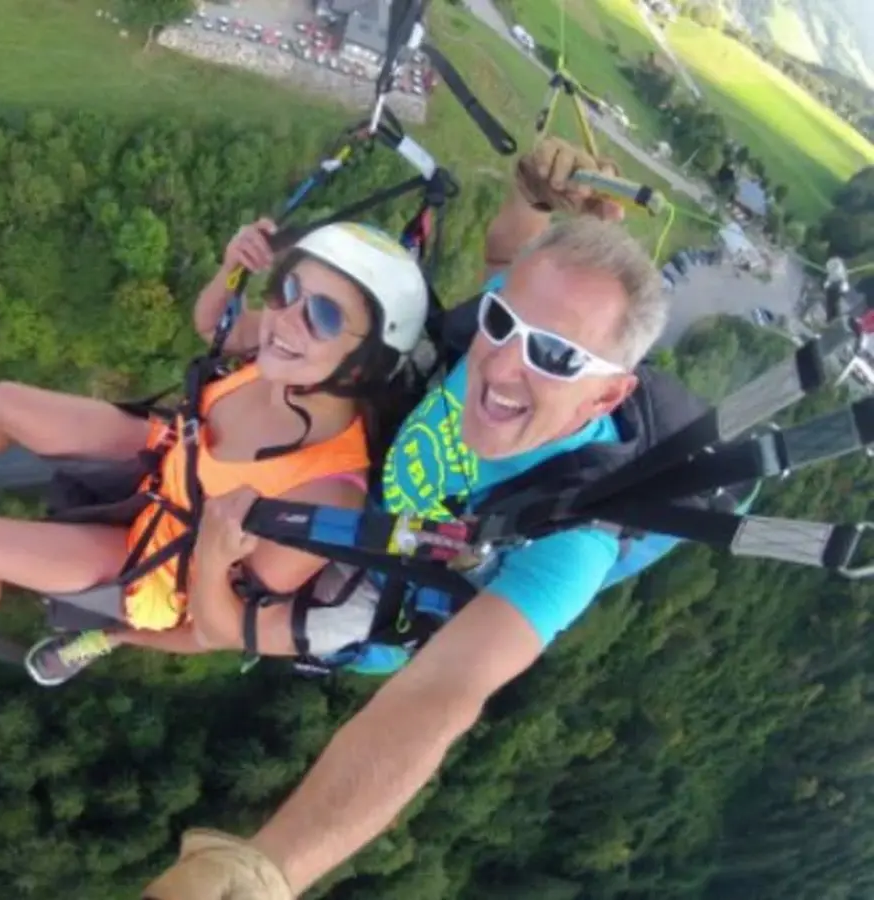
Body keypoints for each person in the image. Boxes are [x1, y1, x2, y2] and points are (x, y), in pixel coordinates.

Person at [141, 138, 673, 899]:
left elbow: (438, 699)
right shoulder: (493, 351)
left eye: (556, 357)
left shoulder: (570, 541)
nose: (504, 364)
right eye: (501, 323)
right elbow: (506, 250)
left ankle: (107, 630)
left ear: (607, 396)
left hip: (375, 594)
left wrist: (267, 870)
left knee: (197, 617)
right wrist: (530, 193)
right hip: (363, 489)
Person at [0, 220, 431, 684]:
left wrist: (217, 558)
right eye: (287, 289)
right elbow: (213, 327)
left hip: (164, 559)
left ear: (362, 365)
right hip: (170, 452)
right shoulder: (281, 354)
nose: (285, 318)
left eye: (324, 316)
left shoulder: (327, 493)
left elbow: (216, 629)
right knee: (3, 402)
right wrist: (231, 269)